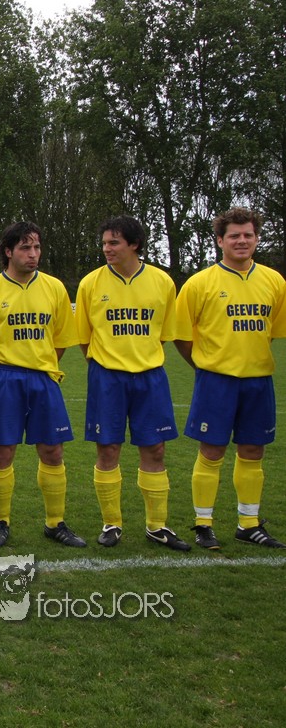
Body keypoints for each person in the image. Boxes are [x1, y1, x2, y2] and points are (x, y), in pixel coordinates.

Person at [0, 222, 86, 549]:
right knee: (3, 451)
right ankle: (1, 522)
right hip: (2, 378)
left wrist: (38, 364)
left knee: (53, 450)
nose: (33, 254)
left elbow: (60, 340)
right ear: (8, 251)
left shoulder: (54, 288)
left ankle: (55, 523)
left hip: (43, 377)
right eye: (25, 248)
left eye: (36, 247)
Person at [74, 216, 189, 551]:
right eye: (104, 243)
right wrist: (108, 363)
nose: (107, 249)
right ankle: (111, 523)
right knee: (108, 448)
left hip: (150, 377)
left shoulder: (162, 282)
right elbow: (84, 338)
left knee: (155, 449)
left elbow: (164, 334)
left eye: (114, 242)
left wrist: (141, 358)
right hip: (106, 377)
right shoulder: (90, 283)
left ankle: (157, 526)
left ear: (134, 244)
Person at [174, 207, 286, 550]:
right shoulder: (200, 283)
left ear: (257, 239)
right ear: (220, 241)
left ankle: (248, 523)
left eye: (248, 235)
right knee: (211, 451)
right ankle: (203, 524)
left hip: (258, 380)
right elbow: (182, 336)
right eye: (234, 235)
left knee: (253, 450)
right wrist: (206, 366)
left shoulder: (275, 281)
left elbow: (272, 332)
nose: (242, 241)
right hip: (216, 381)